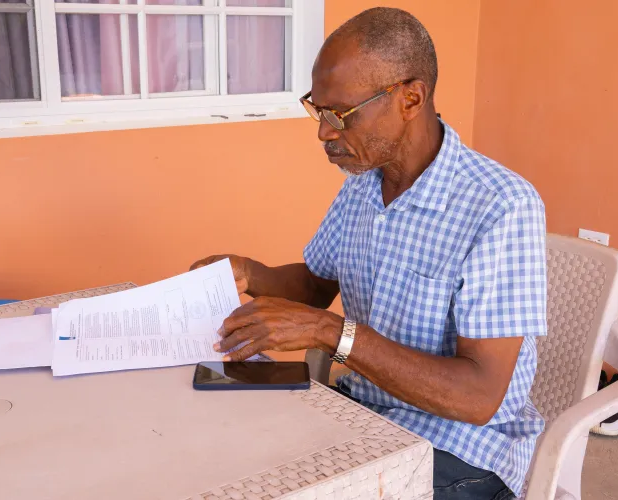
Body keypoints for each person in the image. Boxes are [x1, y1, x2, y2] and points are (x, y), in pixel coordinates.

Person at [191, 7, 546, 500]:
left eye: (340, 114)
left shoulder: (501, 205)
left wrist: (328, 331)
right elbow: (316, 284)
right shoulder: (364, 182)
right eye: (318, 110)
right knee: (219, 446)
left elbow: (478, 396)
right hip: (363, 413)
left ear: (410, 98)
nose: (323, 132)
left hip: (461, 448)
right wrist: (250, 272)